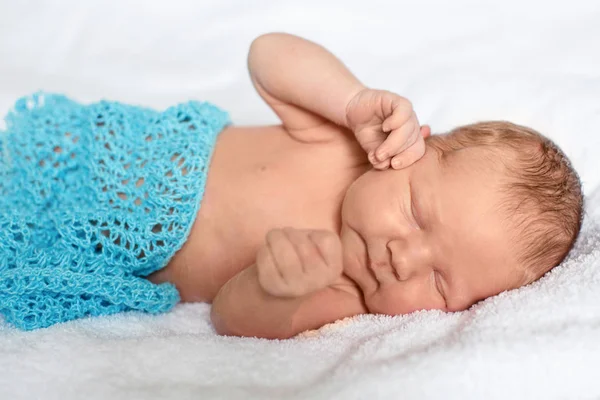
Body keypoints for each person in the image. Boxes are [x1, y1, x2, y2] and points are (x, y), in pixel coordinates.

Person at [0, 33, 583, 338]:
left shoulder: (342, 291)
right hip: (99, 154)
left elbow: (232, 317)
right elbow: (266, 56)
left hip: (85, 248)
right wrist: (351, 99)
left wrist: (276, 289)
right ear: (411, 151)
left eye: (441, 282)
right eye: (416, 215)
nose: (403, 259)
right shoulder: (341, 139)